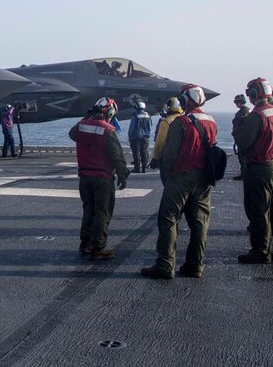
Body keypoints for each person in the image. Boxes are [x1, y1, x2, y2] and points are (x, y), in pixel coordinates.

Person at [141, 84, 218, 279]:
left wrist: (169, 177)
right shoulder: (211, 121)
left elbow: (170, 155)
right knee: (200, 222)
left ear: (184, 100)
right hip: (203, 179)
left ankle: (165, 265)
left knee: (168, 218)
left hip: (181, 177)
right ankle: (195, 265)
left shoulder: (180, 122)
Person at [232, 78, 273, 264]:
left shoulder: (257, 115)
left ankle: (260, 251)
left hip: (262, 167)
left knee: (259, 210)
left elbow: (243, 142)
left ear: (254, 94)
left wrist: (239, 127)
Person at [68, 98, 129, 260]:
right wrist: (123, 175)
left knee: (88, 209)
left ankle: (85, 243)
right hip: (102, 178)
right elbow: (117, 156)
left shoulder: (82, 126)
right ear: (110, 112)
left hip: (85, 177)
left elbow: (71, 135)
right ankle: (98, 247)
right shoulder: (108, 130)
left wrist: (85, 118)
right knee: (102, 212)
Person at [149, 97, 183, 182]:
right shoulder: (185, 119)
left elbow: (160, 142)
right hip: (183, 158)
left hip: (167, 158)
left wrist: (155, 158)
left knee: (168, 184)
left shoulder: (166, 121)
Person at [231, 94, 251, 180]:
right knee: (241, 157)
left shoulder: (245, 111)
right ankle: (244, 173)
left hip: (243, 138)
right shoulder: (242, 111)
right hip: (240, 138)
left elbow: (241, 122)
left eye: (237, 102)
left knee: (243, 158)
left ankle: (245, 174)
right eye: (236, 102)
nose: (236, 104)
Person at [128, 101, 152, 173]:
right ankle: (144, 168)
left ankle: (137, 168)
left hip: (136, 136)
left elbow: (132, 127)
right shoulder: (148, 115)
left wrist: (130, 136)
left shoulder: (135, 115)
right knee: (144, 152)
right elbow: (150, 126)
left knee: (136, 152)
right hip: (145, 136)